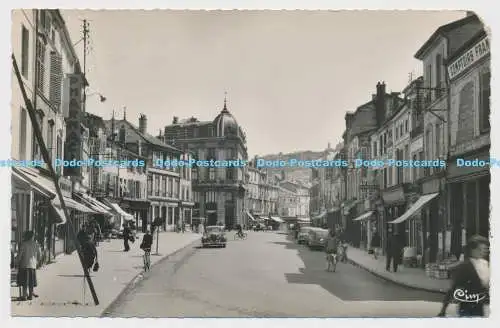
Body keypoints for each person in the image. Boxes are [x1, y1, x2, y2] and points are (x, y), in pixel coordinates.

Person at [438, 235, 489, 317]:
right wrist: (443, 309)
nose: (483, 252)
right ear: (472, 250)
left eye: (485, 249)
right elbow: (453, 288)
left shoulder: (484, 264)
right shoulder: (464, 266)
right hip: (467, 309)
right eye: (480, 249)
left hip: (479, 309)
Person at [16, 231, 41, 301]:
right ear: (32, 237)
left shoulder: (24, 244)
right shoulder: (36, 244)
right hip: (32, 265)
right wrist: (37, 261)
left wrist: (17, 261)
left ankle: (24, 296)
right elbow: (39, 254)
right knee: (31, 282)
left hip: (24, 265)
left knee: (24, 281)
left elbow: (20, 255)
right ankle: (30, 295)